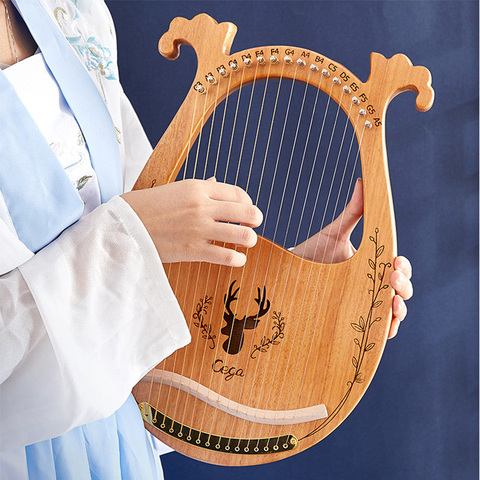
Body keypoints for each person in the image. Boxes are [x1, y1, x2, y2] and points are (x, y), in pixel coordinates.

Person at [0, 0, 412, 478]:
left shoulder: (74, 13)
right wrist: (136, 237)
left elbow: (146, 314)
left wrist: (291, 292)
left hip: (116, 456)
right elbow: (139, 242)